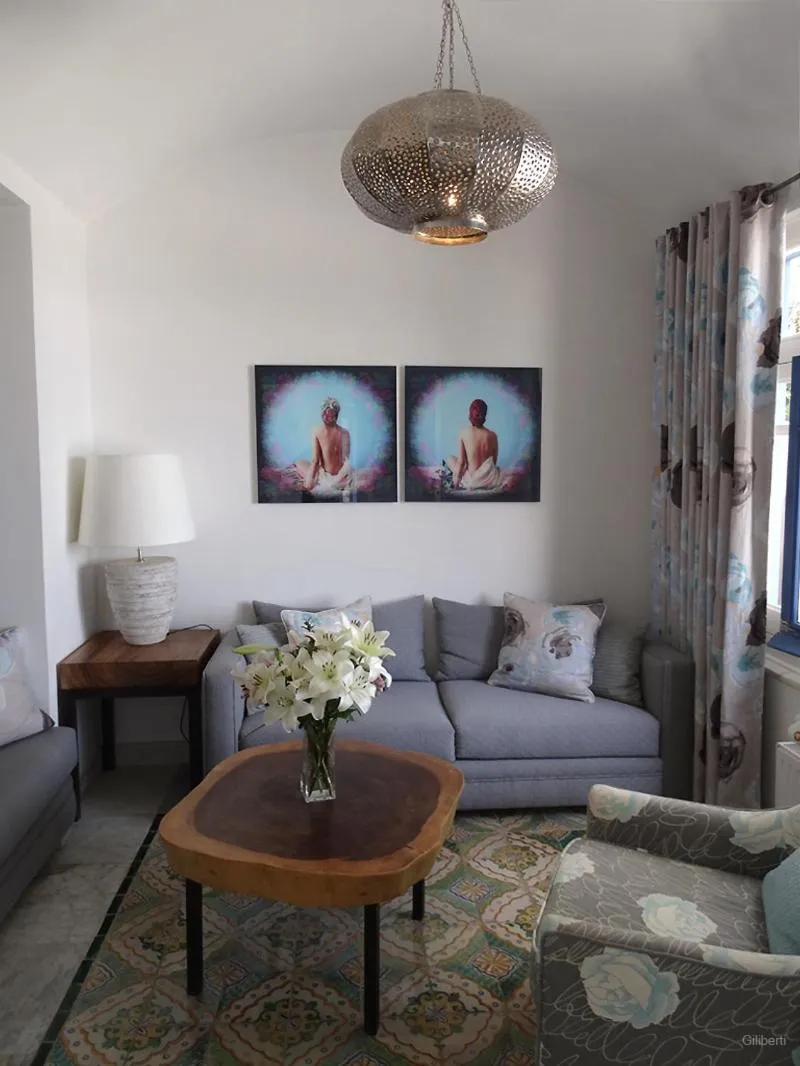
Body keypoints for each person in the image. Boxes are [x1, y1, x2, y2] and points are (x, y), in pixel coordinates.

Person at [295, 397, 353, 493]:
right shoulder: (345, 433)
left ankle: (329, 482)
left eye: (327, 414)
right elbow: (345, 461)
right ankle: (337, 482)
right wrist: (340, 477)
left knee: (300, 463)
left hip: (326, 476)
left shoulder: (316, 431)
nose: (325, 416)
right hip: (340, 476)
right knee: (347, 467)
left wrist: (308, 484)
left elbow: (315, 460)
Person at [447, 398, 505, 491]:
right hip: (489, 479)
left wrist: (456, 483)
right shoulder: (493, 435)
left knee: (450, 459)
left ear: (470, 414)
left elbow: (461, 462)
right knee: (498, 470)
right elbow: (493, 462)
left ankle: (468, 474)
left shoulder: (463, 433)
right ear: (485, 414)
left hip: (472, 481)